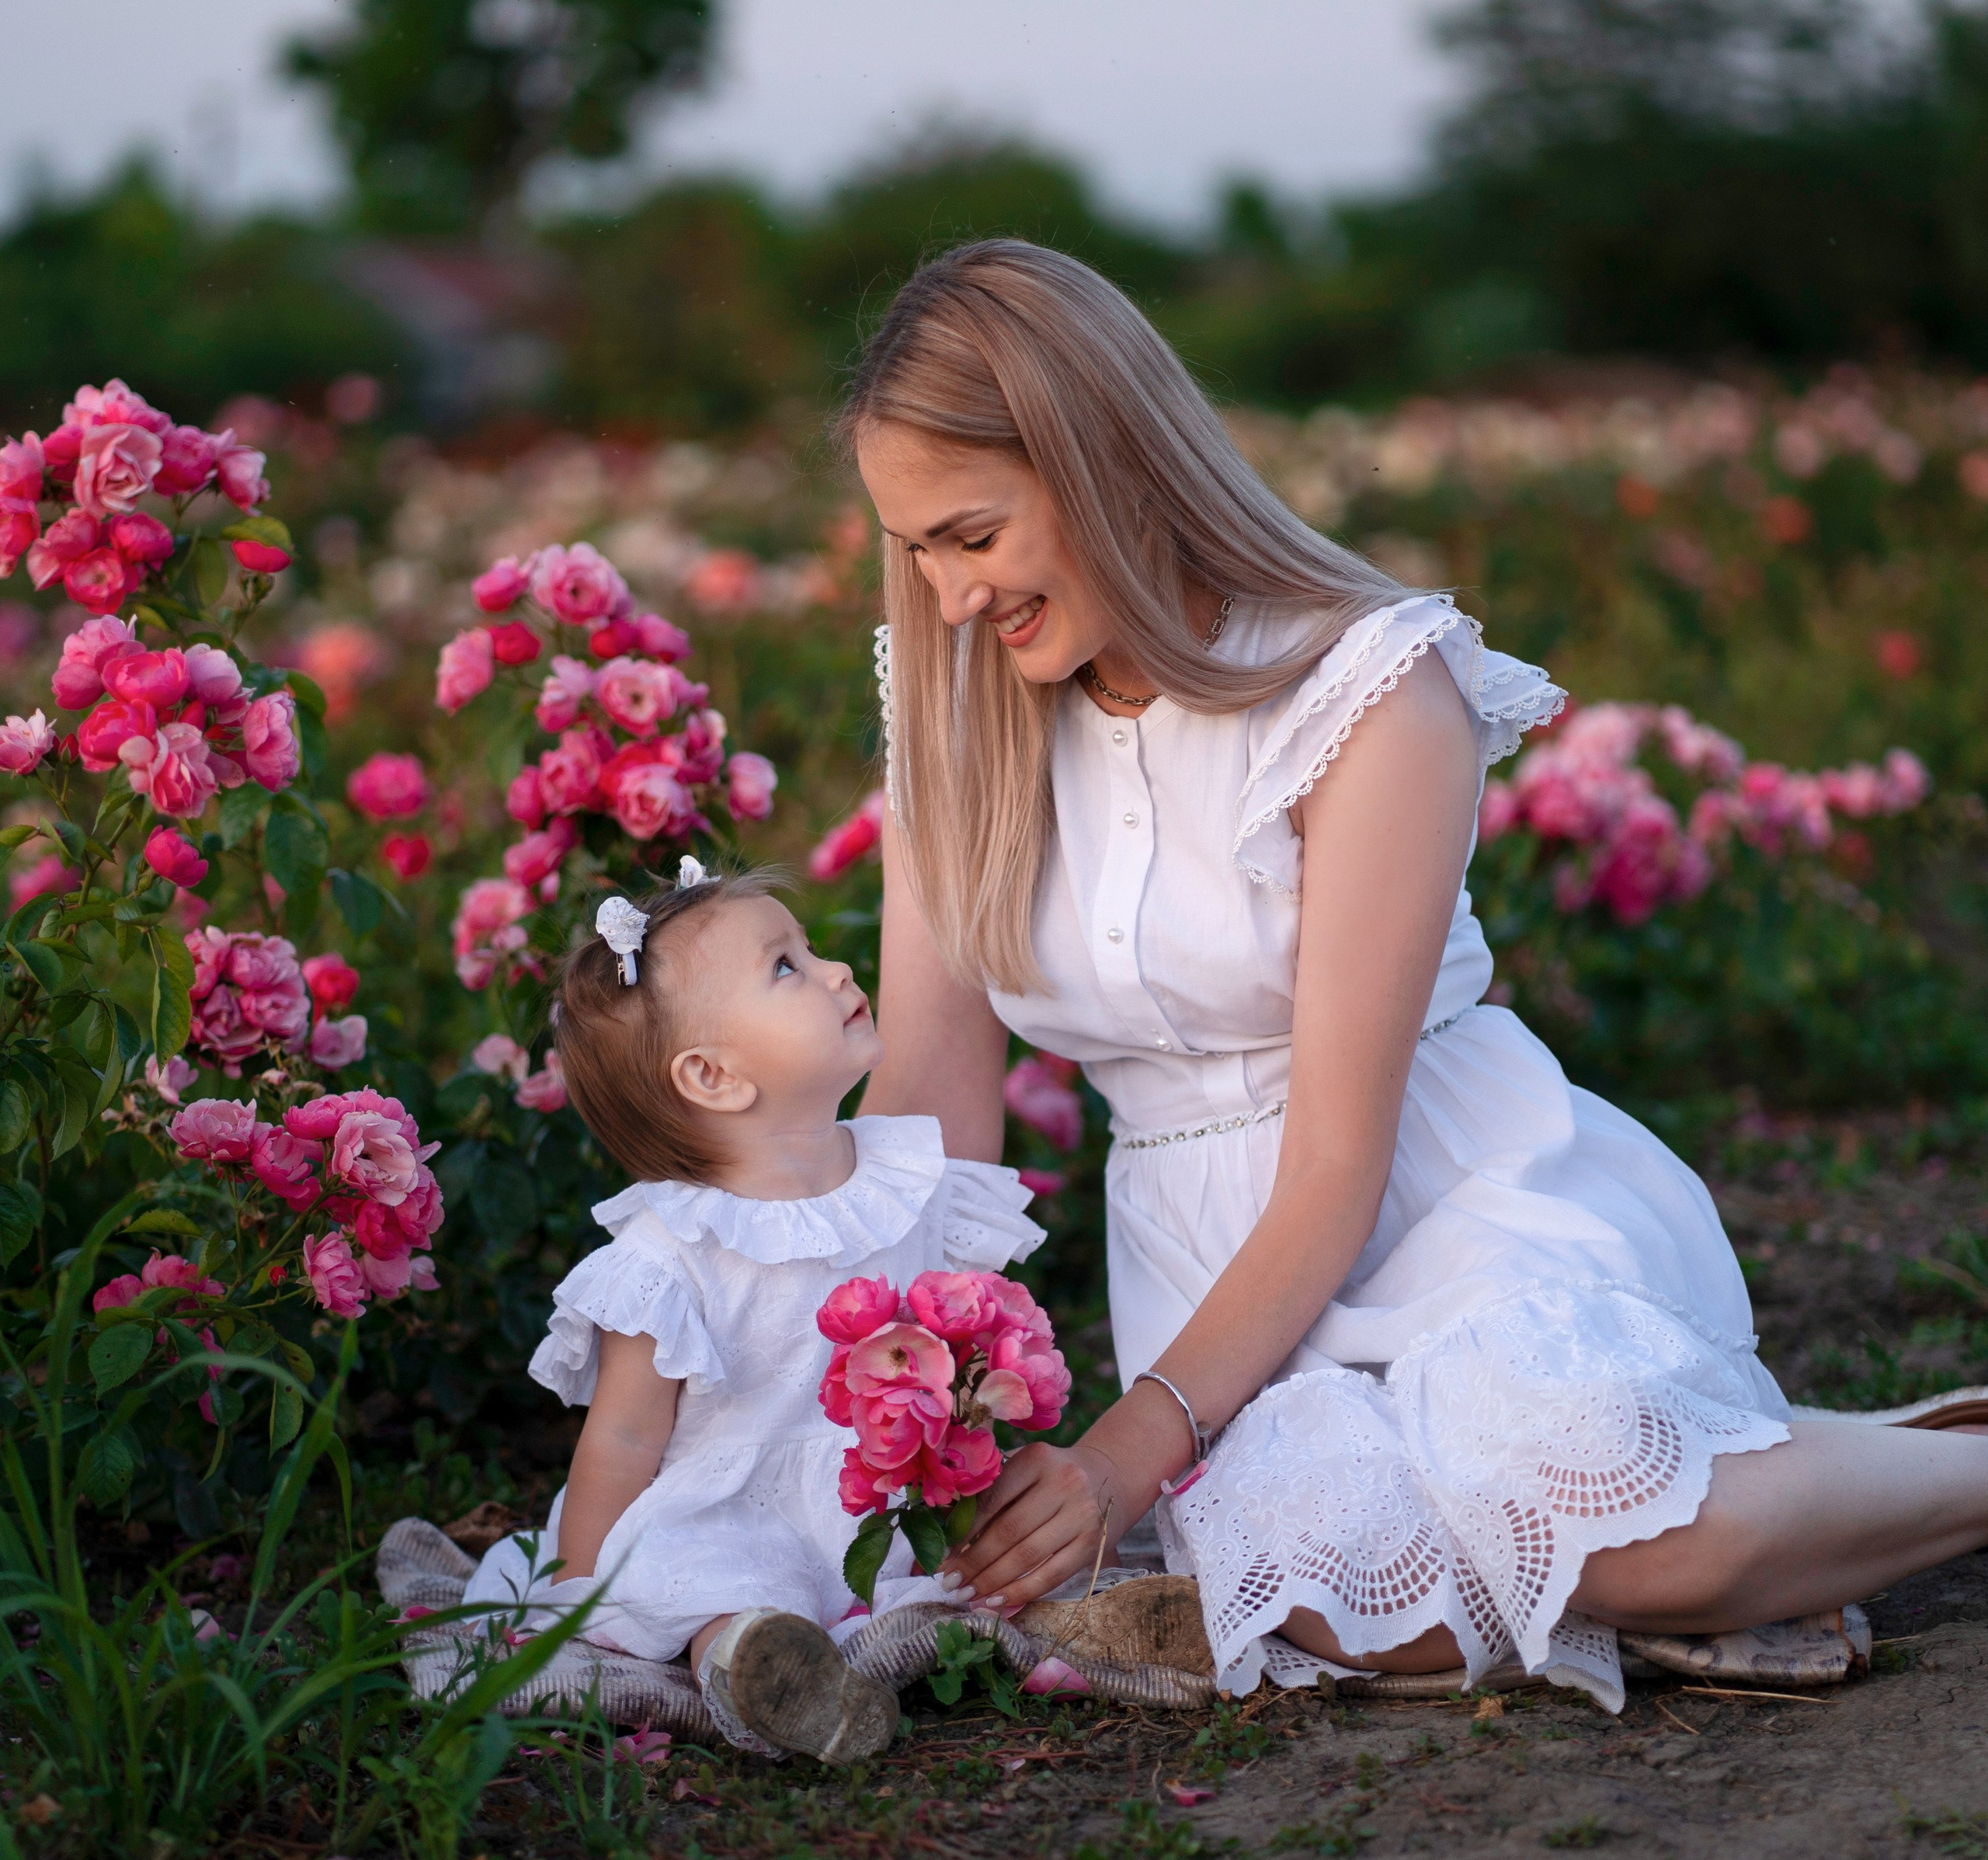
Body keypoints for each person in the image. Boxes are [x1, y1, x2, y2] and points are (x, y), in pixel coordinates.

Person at [846, 238, 1988, 1709]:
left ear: (1098, 458)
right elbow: (932, 1098)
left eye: (973, 534)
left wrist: (1126, 1455)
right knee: (1362, 1612)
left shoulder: (1367, 685)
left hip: (1448, 1205)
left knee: (1611, 1542)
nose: (945, 598)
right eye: (916, 550)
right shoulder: (957, 706)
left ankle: (1838, 1498)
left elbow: (1335, 1166)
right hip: (1208, 1280)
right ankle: (1788, 1502)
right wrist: (882, 1395)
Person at [460, 860, 1045, 1760]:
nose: (837, 970)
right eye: (788, 967)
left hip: (878, 1505)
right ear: (713, 1075)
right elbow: (621, 1440)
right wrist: (578, 1589)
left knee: (987, 1557)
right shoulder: (674, 1250)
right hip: (732, 1509)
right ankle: (756, 1666)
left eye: (808, 950)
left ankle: (1007, 1625)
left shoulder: (905, 1182)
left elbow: (956, 1338)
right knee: (710, 1579)